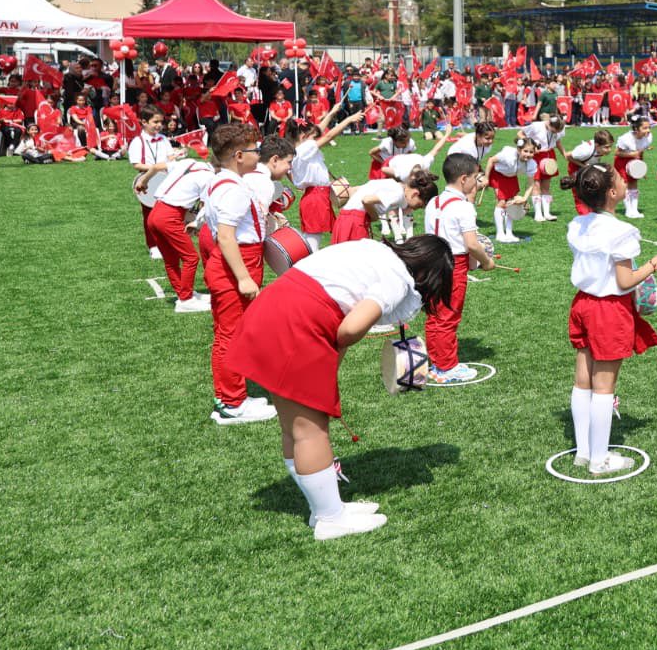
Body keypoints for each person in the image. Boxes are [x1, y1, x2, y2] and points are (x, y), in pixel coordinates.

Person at [228, 235, 456, 540]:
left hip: (275, 307)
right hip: (297, 322)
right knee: (310, 430)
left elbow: (341, 310)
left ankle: (324, 507)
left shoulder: (373, 249)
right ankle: (329, 518)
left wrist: (328, 367)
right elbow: (349, 329)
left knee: (293, 427)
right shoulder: (397, 278)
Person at [566, 162, 657, 476]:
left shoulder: (577, 223)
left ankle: (584, 452)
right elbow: (626, 280)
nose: (626, 180)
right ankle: (599, 459)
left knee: (583, 379)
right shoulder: (621, 231)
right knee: (604, 386)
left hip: (582, 304)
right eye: (621, 178)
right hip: (609, 309)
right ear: (612, 192)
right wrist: (655, 264)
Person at [202, 127, 292, 426]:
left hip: (237, 259)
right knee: (230, 335)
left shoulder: (225, 181)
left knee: (231, 332)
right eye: (254, 150)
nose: (259, 154)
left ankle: (232, 396)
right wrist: (243, 277)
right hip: (236, 263)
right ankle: (231, 403)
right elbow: (227, 237)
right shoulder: (234, 188)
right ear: (239, 156)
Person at [422, 152, 496, 384]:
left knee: (435, 314)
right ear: (464, 179)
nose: (477, 182)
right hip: (453, 265)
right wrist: (486, 262)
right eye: (475, 177)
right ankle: (446, 366)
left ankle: (437, 361)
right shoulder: (464, 207)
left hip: (431, 262)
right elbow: (472, 244)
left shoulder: (433, 202)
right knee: (448, 316)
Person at [142, 152, 215, 313]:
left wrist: (143, 181)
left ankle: (183, 294)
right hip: (169, 217)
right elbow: (205, 206)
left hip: (154, 214)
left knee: (171, 259)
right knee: (191, 258)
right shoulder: (210, 177)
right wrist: (196, 223)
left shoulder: (187, 162)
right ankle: (186, 299)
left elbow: (155, 166)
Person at [287, 105, 363, 250]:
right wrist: (348, 120)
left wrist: (332, 112)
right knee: (313, 242)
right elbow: (328, 136)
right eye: (313, 136)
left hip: (316, 196)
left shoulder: (298, 149)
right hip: (316, 197)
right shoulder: (304, 149)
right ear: (303, 137)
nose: (316, 137)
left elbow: (319, 130)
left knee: (314, 239)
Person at [332, 168, 439, 244]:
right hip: (354, 222)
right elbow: (367, 200)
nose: (417, 209)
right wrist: (374, 217)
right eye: (420, 205)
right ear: (415, 194)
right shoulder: (397, 193)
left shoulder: (393, 185)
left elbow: (354, 190)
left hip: (345, 219)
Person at [127, 105, 180, 261]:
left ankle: (169, 242)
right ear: (144, 122)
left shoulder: (163, 139)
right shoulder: (138, 141)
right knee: (150, 216)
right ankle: (154, 246)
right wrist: (156, 168)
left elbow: (170, 157)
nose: (158, 125)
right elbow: (136, 164)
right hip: (147, 181)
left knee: (169, 213)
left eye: (160, 122)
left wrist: (176, 155)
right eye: (155, 122)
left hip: (167, 179)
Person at [523, 113, 568, 222]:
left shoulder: (559, 128)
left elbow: (557, 141)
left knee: (546, 186)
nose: (554, 133)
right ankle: (538, 214)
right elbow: (520, 134)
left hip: (549, 155)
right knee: (536, 185)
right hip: (536, 156)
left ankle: (547, 213)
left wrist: (564, 153)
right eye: (553, 131)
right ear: (548, 123)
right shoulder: (536, 126)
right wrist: (531, 147)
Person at [487, 130, 529, 241]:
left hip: (511, 176)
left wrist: (524, 198)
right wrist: (486, 178)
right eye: (526, 151)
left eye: (531, 152)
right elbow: (491, 160)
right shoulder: (507, 155)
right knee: (501, 202)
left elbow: (531, 181)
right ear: (519, 149)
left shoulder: (530, 161)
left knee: (511, 202)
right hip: (498, 174)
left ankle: (509, 233)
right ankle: (500, 234)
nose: (529, 154)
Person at [563, 129, 616, 216]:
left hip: (587, 167)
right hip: (576, 168)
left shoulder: (599, 149)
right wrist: (583, 166)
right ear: (597, 145)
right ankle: (584, 215)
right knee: (579, 194)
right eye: (606, 147)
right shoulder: (584, 151)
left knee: (591, 190)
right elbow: (568, 156)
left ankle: (592, 212)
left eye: (610, 146)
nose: (609, 150)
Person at [614, 114, 653, 219]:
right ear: (636, 129)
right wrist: (631, 155)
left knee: (634, 184)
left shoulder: (647, 138)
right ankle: (628, 210)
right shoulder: (626, 139)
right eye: (644, 128)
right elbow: (617, 153)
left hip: (635, 161)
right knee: (626, 185)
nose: (648, 130)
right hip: (622, 161)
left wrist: (641, 168)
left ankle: (634, 210)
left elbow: (641, 153)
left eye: (649, 127)